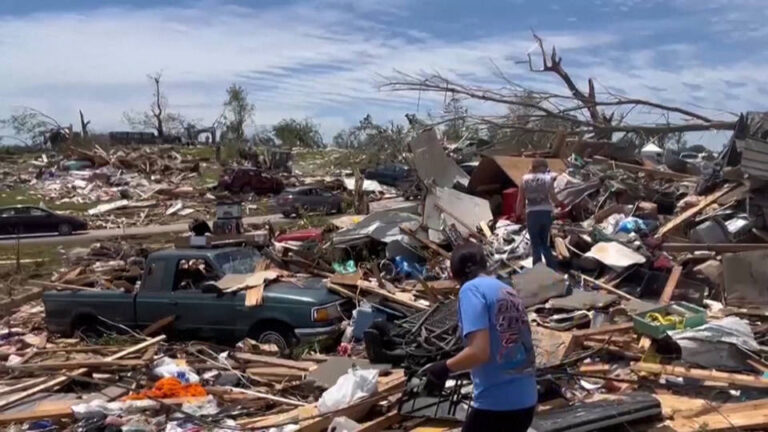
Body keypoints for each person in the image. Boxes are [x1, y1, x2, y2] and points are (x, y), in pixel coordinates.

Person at [423, 242, 537, 432]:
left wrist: (443, 368)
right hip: (526, 400)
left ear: (455, 274)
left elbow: (479, 352)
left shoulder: (471, 290)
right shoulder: (506, 290)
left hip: (497, 404)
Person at [515, 158, 564, 269]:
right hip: (546, 213)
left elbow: (520, 199)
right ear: (545, 167)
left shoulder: (524, 179)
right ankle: (552, 268)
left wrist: (518, 213)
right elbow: (552, 196)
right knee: (545, 243)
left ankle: (537, 269)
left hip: (532, 214)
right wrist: (560, 204)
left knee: (535, 244)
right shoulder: (548, 179)